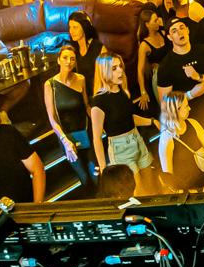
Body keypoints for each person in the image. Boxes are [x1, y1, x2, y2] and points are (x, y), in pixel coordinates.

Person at [89, 53, 154, 172]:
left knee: (150, 178)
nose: (120, 71)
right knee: (135, 183)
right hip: (120, 149)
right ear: (104, 71)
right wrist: (103, 168)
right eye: (114, 68)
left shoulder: (123, 90)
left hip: (137, 139)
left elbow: (128, 118)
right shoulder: (98, 101)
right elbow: (97, 138)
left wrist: (152, 122)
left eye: (120, 66)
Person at [44, 42, 97, 185]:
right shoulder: (50, 85)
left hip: (85, 132)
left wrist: (98, 123)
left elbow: (86, 106)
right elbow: (52, 118)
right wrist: (65, 141)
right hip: (66, 137)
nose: (69, 61)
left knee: (95, 175)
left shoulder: (81, 79)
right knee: (84, 178)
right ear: (58, 60)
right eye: (65, 58)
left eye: (72, 59)